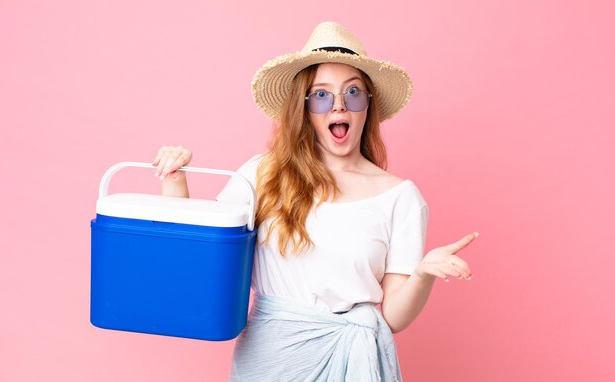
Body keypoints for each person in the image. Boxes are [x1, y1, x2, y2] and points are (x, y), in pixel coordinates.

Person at [152, 21, 477, 382]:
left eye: (352, 93)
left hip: (355, 361)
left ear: (367, 105)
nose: (338, 106)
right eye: (321, 95)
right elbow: (201, 256)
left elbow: (395, 317)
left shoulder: (401, 197)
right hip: (271, 361)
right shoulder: (263, 174)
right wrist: (174, 178)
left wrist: (422, 274)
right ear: (303, 109)